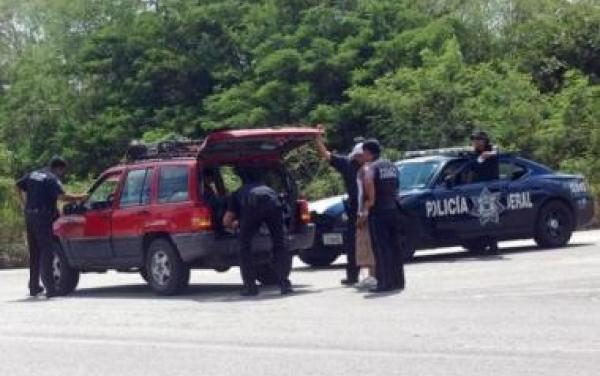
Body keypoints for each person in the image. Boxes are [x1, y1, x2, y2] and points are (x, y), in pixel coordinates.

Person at [15, 157, 88, 298]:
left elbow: (17, 185)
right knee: (47, 252)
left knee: (35, 252)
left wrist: (23, 204)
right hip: (43, 218)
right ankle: (50, 288)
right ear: (59, 168)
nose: (62, 174)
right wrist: (81, 196)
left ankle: (34, 287)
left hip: (30, 216)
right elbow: (62, 196)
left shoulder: (34, 174)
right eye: (63, 171)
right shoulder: (51, 179)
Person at [223, 166, 293, 297]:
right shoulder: (270, 190)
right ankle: (285, 285)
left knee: (244, 246)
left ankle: (250, 287)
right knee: (279, 244)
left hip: (252, 206)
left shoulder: (238, 192)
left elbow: (226, 221)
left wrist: (236, 224)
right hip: (274, 205)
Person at [314, 125, 364, 286]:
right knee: (354, 243)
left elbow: (326, 155)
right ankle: (355, 276)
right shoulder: (349, 163)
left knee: (364, 242)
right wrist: (317, 138)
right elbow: (326, 155)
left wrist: (317, 138)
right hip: (359, 208)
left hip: (365, 207)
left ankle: (366, 275)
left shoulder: (364, 164)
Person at [360, 140, 405, 293]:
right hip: (394, 209)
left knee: (381, 248)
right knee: (395, 247)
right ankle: (398, 281)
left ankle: (384, 282)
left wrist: (368, 206)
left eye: (364, 152)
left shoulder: (371, 168)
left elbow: (369, 186)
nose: (362, 155)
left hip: (379, 212)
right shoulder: (391, 165)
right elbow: (397, 186)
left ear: (368, 152)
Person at [470, 130, 500, 254]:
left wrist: (490, 153)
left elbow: (497, 152)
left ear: (484, 140)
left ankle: (493, 245)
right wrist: (481, 158)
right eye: (474, 140)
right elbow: (473, 165)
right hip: (476, 189)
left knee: (489, 217)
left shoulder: (491, 152)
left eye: (478, 139)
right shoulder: (475, 154)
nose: (476, 142)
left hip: (490, 189)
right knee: (479, 219)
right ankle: (480, 244)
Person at [355, 158, 377, 290]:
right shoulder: (370, 169)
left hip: (366, 213)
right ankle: (369, 276)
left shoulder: (365, 171)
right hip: (366, 212)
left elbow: (368, 195)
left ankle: (372, 276)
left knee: (367, 246)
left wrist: (363, 214)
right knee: (366, 246)